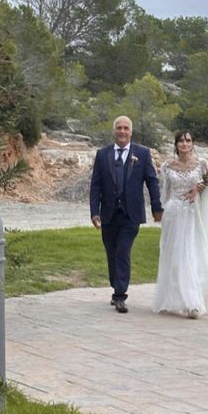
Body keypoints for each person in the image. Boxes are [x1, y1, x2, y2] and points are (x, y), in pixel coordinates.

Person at [90, 116, 163, 313]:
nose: (122, 131)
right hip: (108, 214)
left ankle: (120, 295)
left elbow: (152, 181)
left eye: (126, 128)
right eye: (119, 128)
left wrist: (156, 207)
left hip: (131, 214)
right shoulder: (102, 154)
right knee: (111, 253)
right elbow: (95, 185)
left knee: (123, 251)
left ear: (131, 132)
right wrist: (94, 211)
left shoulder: (142, 153)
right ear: (114, 131)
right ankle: (116, 285)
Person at [152, 130, 208, 319]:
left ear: (193, 144)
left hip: (192, 214)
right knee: (174, 256)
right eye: (181, 141)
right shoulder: (167, 166)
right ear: (176, 145)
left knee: (191, 254)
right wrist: (161, 213)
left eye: (188, 140)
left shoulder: (202, 165)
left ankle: (193, 302)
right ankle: (172, 299)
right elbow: (165, 192)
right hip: (173, 213)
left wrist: (200, 188)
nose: (184, 144)